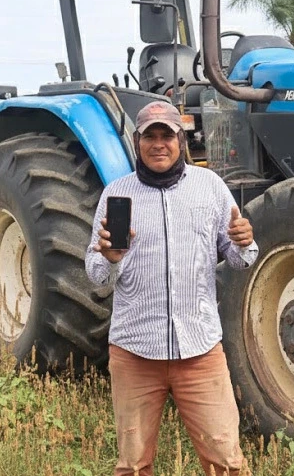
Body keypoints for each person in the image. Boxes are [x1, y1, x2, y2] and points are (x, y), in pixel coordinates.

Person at [85, 100, 259, 476]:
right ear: (137, 142)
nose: (159, 143)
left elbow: (239, 259)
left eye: (168, 135)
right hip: (135, 352)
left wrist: (243, 241)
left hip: (199, 351)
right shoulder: (117, 195)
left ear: (181, 141)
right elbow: (96, 275)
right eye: (151, 136)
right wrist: (111, 257)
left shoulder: (209, 187)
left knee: (227, 463)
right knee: (133, 465)